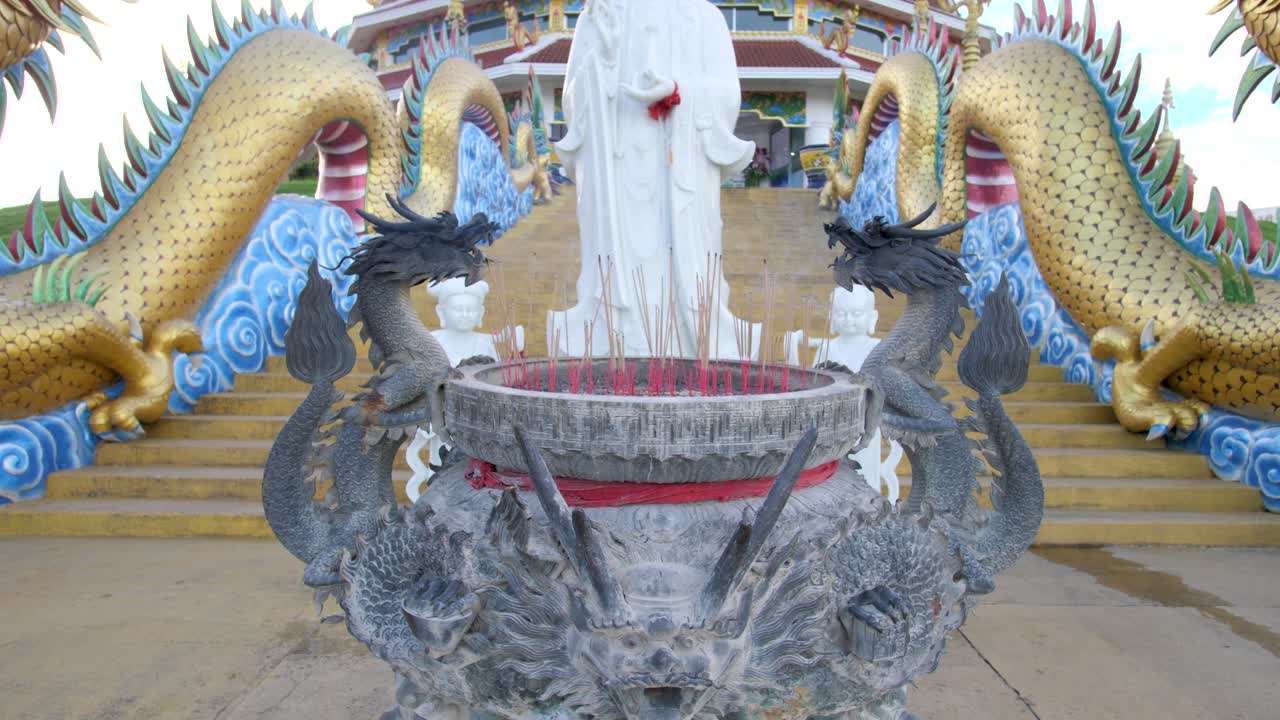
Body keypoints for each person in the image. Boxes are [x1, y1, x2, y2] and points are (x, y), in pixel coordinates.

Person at [549, 0, 756, 359]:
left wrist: (677, 90)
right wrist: (603, 63)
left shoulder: (704, 17)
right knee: (616, 268)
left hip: (682, 171)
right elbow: (573, 99)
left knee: (686, 269)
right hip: (619, 169)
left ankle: (690, 345)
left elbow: (728, 96)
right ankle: (617, 345)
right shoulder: (599, 15)